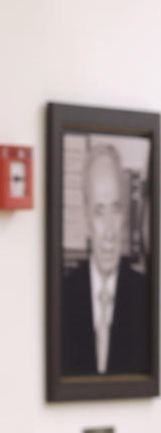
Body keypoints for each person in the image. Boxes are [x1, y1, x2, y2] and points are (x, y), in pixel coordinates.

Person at [61, 143, 149, 375]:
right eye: (100, 211)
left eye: (116, 209)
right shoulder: (63, 296)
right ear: (86, 220)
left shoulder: (146, 296)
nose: (109, 231)